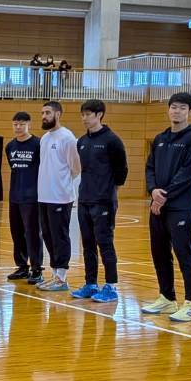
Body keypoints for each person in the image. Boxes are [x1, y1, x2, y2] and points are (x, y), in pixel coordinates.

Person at [142, 91, 191, 322]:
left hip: (180, 207)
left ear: (189, 111)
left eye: (182, 108)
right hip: (158, 206)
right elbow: (150, 167)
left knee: (184, 254)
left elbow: (187, 174)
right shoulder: (160, 138)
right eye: (173, 107)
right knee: (159, 253)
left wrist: (164, 195)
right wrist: (153, 190)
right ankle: (167, 298)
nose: (176, 111)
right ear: (168, 109)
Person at [72, 99, 128, 303]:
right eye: (82, 114)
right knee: (87, 244)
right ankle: (90, 283)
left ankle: (111, 286)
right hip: (85, 199)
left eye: (88, 114)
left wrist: (107, 190)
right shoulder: (81, 142)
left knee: (105, 243)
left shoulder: (112, 140)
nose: (84, 118)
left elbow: (121, 171)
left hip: (103, 201)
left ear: (99, 115)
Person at [36, 101, 80, 292]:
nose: (44, 116)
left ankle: (62, 278)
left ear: (58, 114)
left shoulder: (67, 137)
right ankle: (55, 275)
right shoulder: (44, 138)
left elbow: (76, 167)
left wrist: (63, 183)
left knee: (59, 236)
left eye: (48, 113)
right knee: (48, 235)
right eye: (42, 113)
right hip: (44, 196)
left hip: (60, 197)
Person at [5, 112, 42, 284]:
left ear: (29, 124)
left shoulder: (38, 144)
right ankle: (22, 266)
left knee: (32, 233)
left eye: (21, 124)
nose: (18, 127)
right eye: (15, 124)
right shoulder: (10, 146)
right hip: (15, 196)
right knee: (17, 233)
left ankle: (36, 269)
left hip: (32, 197)